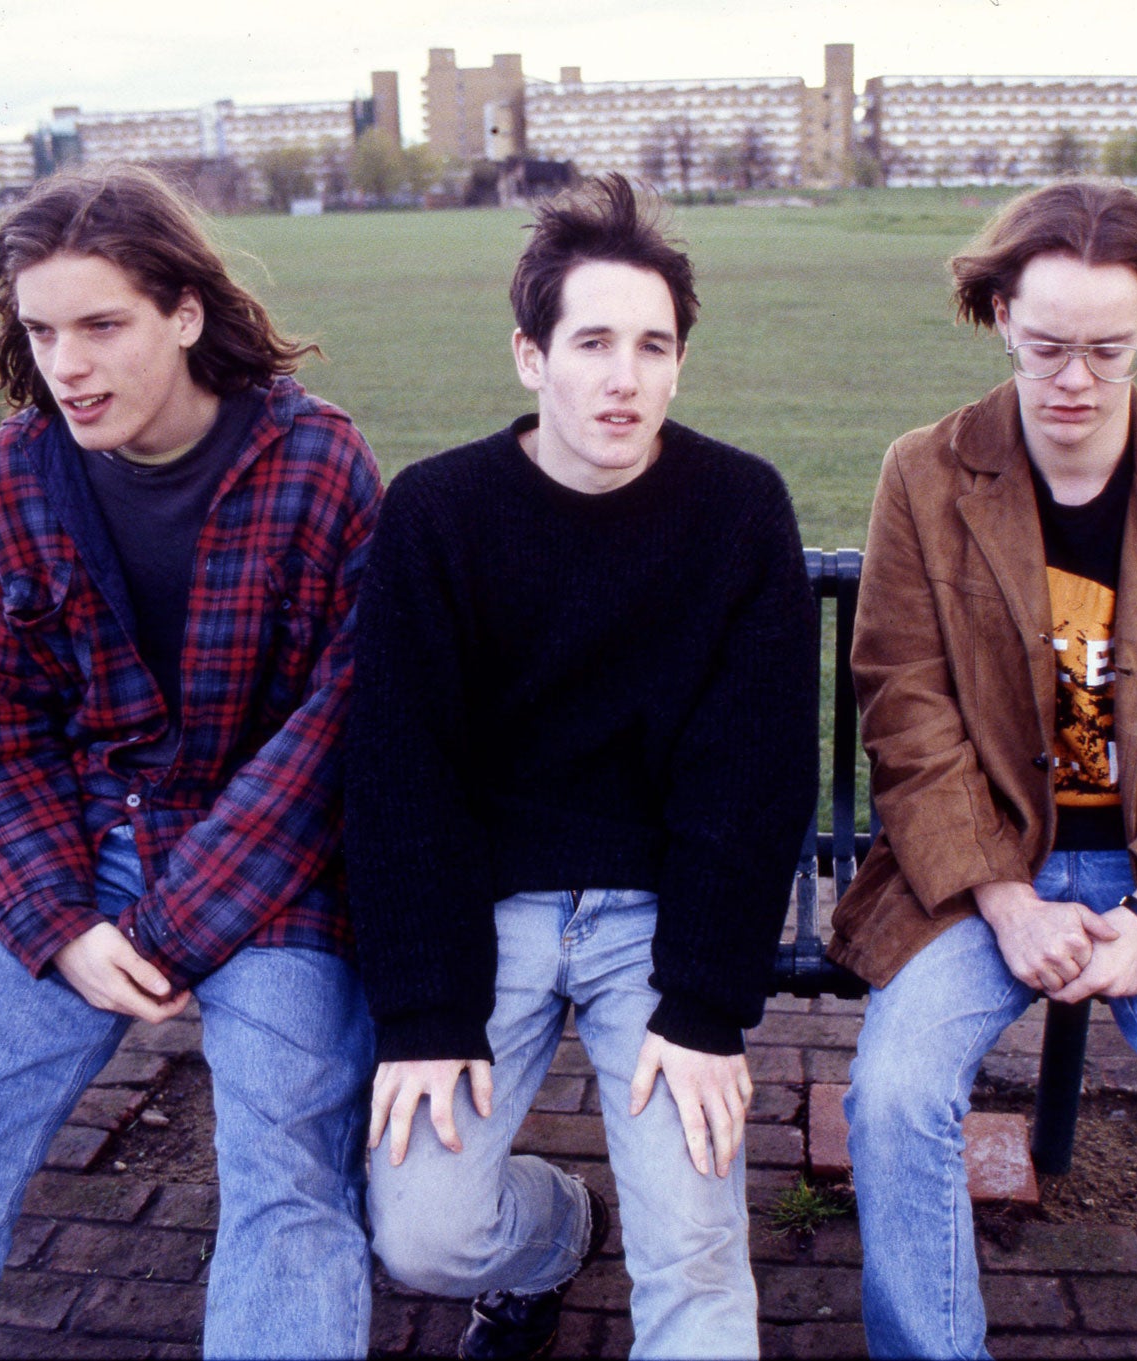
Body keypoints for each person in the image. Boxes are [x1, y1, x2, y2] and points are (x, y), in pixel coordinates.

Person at [0, 165, 380, 1359]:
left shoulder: (318, 464)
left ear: (182, 310)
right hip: (78, 867)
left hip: (272, 880)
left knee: (287, 1187)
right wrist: (58, 920)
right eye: (42, 328)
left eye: (102, 324)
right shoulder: (9, 480)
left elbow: (335, 733)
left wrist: (176, 923)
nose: (68, 362)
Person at [829, 179, 1137, 1361]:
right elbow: (904, 706)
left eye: (1107, 350)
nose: (1072, 382)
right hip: (980, 862)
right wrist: (1001, 894)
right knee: (891, 1099)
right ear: (996, 311)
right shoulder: (926, 474)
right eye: (1045, 344)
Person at [347, 173, 817, 1360]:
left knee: (696, 1252)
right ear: (528, 356)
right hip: (485, 912)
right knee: (423, 1238)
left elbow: (750, 773)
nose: (623, 376)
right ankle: (558, 1232)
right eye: (592, 341)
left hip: (655, 921)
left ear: (678, 363)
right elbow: (402, 772)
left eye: (651, 346)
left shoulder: (737, 506)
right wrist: (424, 1013)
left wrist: (705, 1006)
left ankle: (643, 1217)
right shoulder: (438, 510)